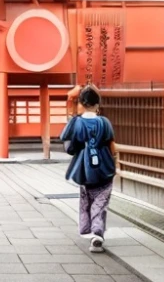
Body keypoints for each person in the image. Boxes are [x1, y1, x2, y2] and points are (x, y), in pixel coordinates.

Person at [60, 84, 116, 253]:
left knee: (86, 198)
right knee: (100, 201)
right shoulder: (104, 122)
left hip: (84, 168)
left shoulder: (76, 122)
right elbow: (111, 145)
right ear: (97, 104)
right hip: (104, 167)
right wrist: (114, 163)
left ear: (82, 104)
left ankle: (86, 228)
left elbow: (67, 141)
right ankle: (97, 233)